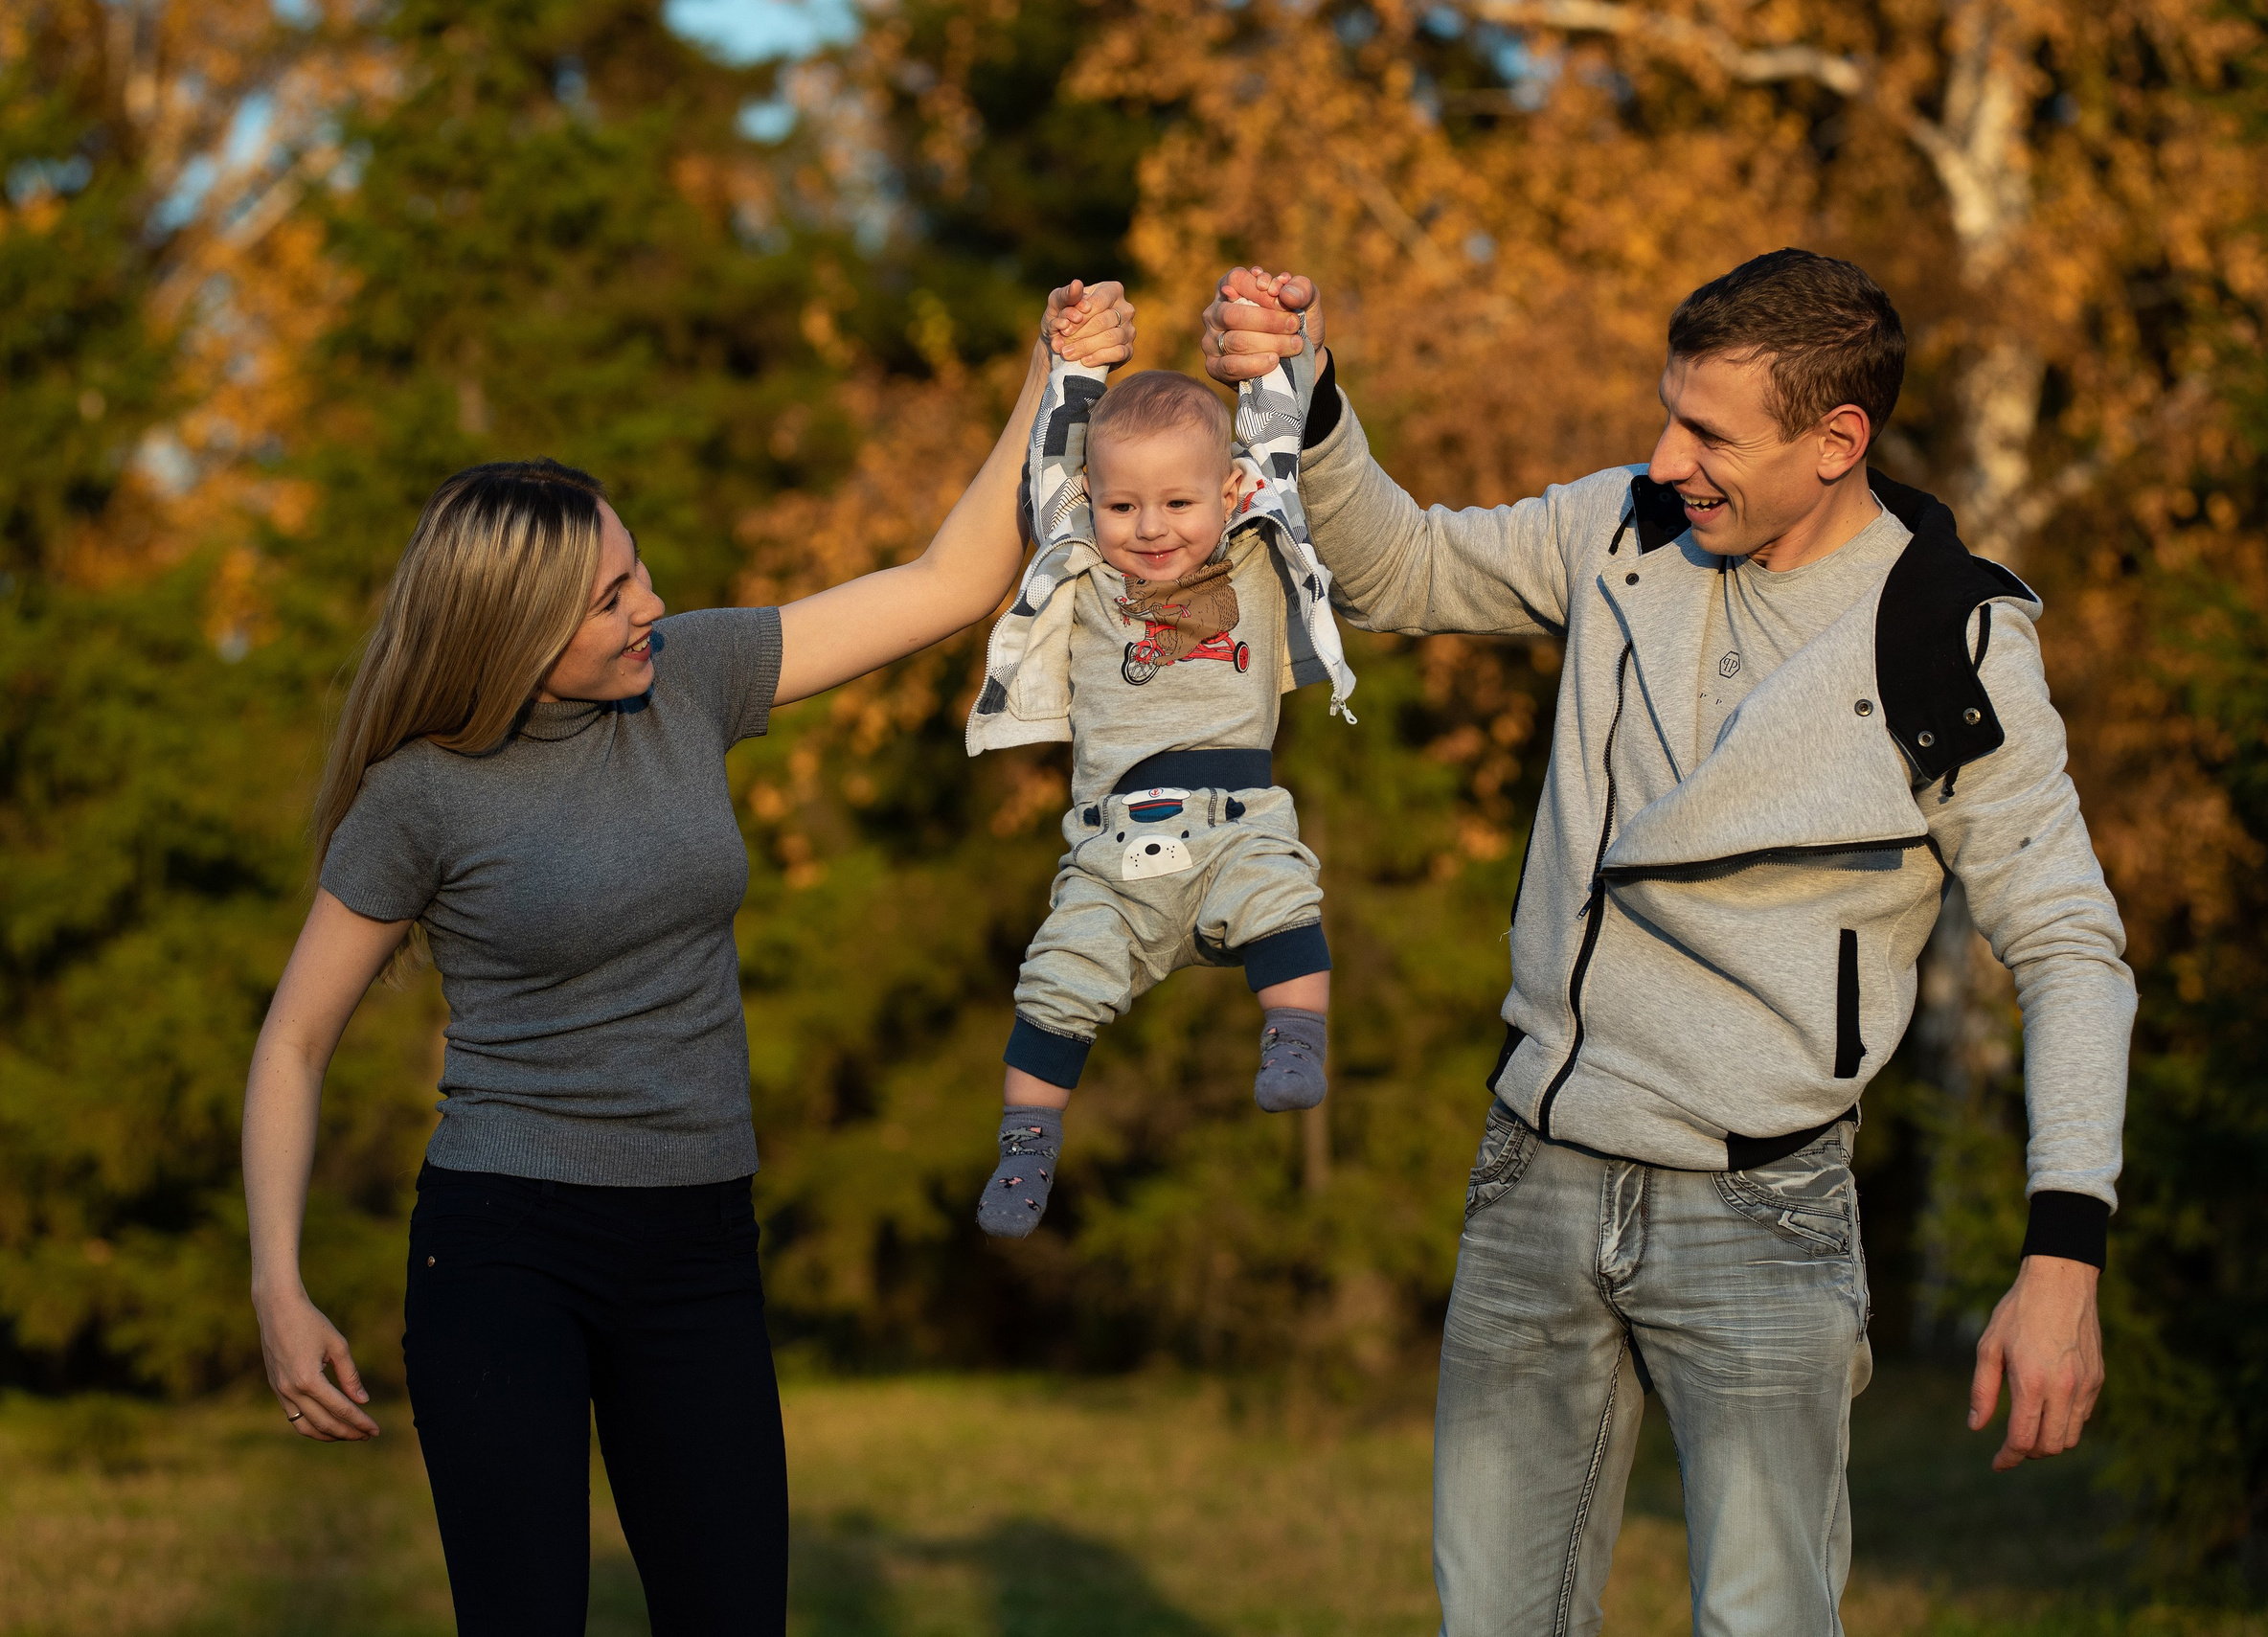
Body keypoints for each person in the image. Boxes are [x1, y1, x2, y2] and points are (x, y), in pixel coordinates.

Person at [1203, 251, 2133, 1635]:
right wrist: (1307, 392)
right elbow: (1397, 567)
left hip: (1762, 1207)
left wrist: (2063, 1253)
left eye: (1709, 434)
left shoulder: (1946, 637)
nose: (1664, 459)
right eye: (1667, 413)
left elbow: (2066, 945)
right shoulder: (1623, 529)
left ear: (1837, 441)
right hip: (1535, 1171)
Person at [240, 281, 1135, 1635]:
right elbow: (295, 1040)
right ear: (518, 634)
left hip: (698, 1237)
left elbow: (948, 583)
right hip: (505, 1248)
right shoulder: (421, 795)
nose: (651, 604)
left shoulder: (691, 677)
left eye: (639, 570)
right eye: (613, 597)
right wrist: (279, 1283)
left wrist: (1046, 374)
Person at [965, 319, 1356, 1238]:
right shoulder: (1084, 566)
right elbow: (1051, 458)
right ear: (1093, 501)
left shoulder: (1252, 547)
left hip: (1236, 822)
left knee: (1284, 897)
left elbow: (1276, 438)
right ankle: (1026, 1144)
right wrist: (1074, 357)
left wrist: (1274, 336)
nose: (1150, 528)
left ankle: (1295, 1041)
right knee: (1056, 977)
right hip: (1110, 852)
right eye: (1123, 505)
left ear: (1229, 492)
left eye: (1179, 502)